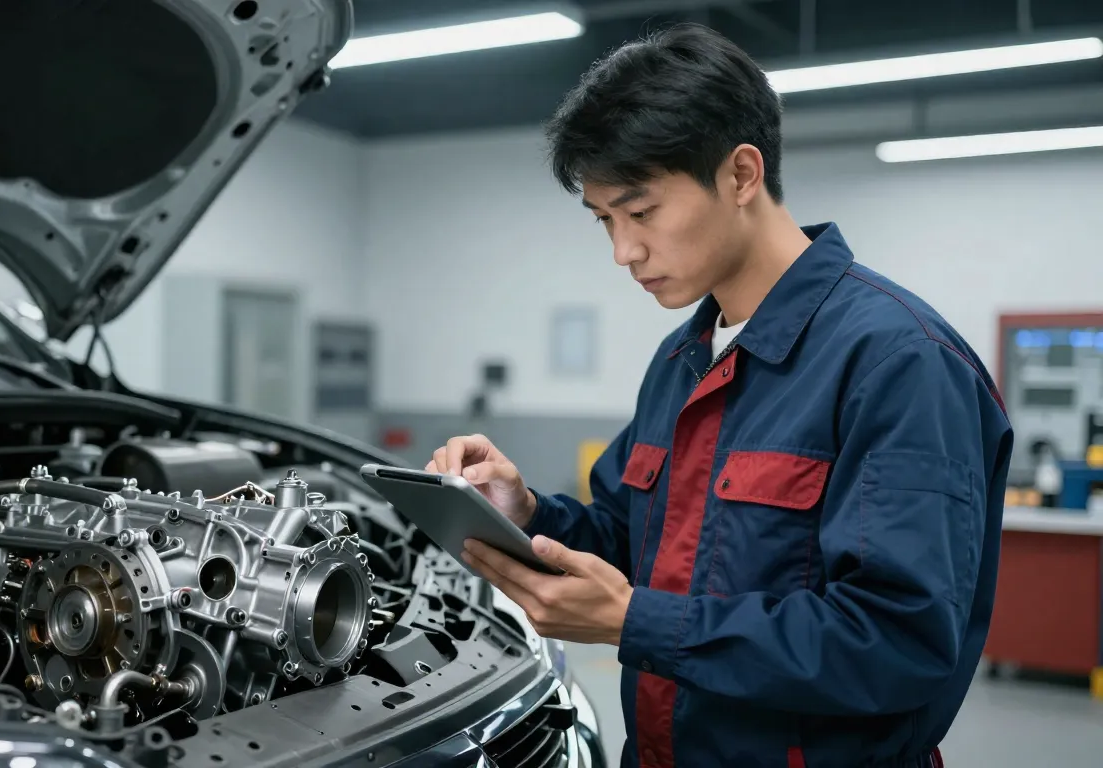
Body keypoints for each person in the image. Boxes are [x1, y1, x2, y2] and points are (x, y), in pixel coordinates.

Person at [426, 23, 1013, 768]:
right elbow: (636, 544)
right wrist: (527, 514)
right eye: (605, 220)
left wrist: (639, 623)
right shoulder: (683, 360)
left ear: (740, 176)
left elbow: (897, 643)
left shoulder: (899, 364)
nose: (623, 251)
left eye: (641, 213)